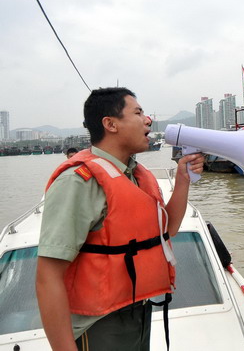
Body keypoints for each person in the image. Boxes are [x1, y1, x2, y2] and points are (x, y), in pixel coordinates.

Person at [36, 87, 204, 351]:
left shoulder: (135, 175)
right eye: (138, 112)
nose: (148, 120)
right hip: (100, 324)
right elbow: (48, 277)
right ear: (110, 124)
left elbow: (167, 229)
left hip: (138, 311)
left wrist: (182, 180)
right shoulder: (78, 182)